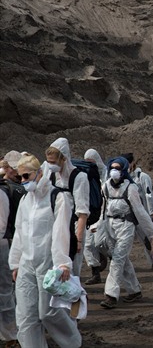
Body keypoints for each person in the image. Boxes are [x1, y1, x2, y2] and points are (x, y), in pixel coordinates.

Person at [9, 155, 81, 348]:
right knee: (26, 316)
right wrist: (15, 263)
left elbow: (60, 232)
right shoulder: (25, 200)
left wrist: (62, 262)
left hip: (48, 263)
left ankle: (72, 343)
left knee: (48, 312)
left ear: (39, 173)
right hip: (26, 264)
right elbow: (19, 232)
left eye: (27, 176)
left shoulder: (58, 197)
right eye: (20, 178)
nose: (24, 181)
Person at [100, 156, 153, 309]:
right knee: (121, 259)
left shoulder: (131, 188)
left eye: (118, 168)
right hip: (110, 225)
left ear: (123, 170)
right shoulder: (105, 187)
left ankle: (110, 295)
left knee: (117, 260)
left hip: (126, 226)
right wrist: (97, 225)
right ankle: (134, 290)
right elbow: (103, 208)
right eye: (112, 168)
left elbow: (140, 211)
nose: (114, 171)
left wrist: (151, 232)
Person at [45, 138, 90, 278]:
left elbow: (82, 212)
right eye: (48, 162)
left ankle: (75, 298)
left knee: (71, 271)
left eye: (53, 162)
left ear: (63, 159)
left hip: (73, 226)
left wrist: (79, 239)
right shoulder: (51, 175)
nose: (50, 165)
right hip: (55, 225)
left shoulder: (79, 177)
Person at [122, 153, 153, 270]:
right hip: (131, 215)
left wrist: (152, 212)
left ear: (133, 162)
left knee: (150, 237)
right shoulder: (125, 178)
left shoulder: (142, 177)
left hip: (144, 212)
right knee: (143, 240)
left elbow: (149, 194)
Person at [82, 149, 108, 285]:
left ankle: (108, 258)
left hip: (105, 214)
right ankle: (95, 271)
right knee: (87, 244)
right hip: (91, 212)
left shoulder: (107, 174)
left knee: (101, 242)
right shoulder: (86, 174)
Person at [0, 176, 17, 346]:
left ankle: (11, 335)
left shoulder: (1, 194)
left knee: (4, 291)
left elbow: (2, 225)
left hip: (1, 247)